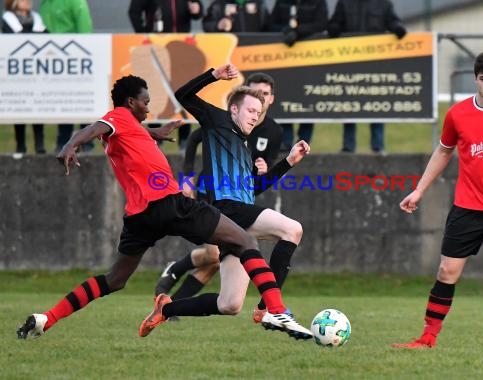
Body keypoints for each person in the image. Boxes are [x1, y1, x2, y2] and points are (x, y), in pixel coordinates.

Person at [16, 72, 313, 341]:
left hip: (138, 217)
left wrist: (155, 134)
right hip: (169, 204)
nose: (148, 108)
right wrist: (72, 142)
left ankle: (47, 318)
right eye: (145, 102)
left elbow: (129, 137)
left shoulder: (130, 127)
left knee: (117, 280)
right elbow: (98, 126)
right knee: (255, 238)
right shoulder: (119, 116)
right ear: (130, 102)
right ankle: (273, 309)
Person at [392, 52, 483, 351]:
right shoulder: (457, 114)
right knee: (447, 272)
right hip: (468, 207)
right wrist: (419, 190)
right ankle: (427, 338)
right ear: (475, 79)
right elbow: (443, 152)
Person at [159, 65, 309, 327]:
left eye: (259, 112)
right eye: (251, 111)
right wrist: (213, 76)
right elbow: (182, 95)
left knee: (229, 304)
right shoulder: (217, 121)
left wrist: (288, 162)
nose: (255, 117)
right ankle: (268, 308)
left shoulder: (244, 146)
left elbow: (254, 190)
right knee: (292, 230)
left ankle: (166, 309)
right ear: (234, 109)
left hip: (235, 217)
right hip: (227, 210)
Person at [327, 0, 407, 154]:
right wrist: (334, 29)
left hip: (375, 65)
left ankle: (378, 146)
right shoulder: (344, 3)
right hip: (349, 63)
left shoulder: (384, 3)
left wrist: (398, 29)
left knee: (376, 104)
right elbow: (334, 24)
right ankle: (348, 147)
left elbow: (393, 21)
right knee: (349, 105)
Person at [127, 0, 205, 150]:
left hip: (181, 43)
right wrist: (142, 31)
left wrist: (197, 9)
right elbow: (134, 11)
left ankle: (184, 137)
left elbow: (198, 10)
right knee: (155, 88)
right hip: (156, 43)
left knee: (183, 88)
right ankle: (155, 137)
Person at [269, 0, 328, 150]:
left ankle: (304, 141)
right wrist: (286, 30)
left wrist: (298, 32)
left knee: (308, 99)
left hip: (310, 58)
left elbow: (321, 24)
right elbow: (270, 23)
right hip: (284, 59)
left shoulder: (318, 2)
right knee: (285, 96)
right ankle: (286, 140)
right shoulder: (281, 3)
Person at [39, 0, 94, 152]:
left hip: (76, 58)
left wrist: (83, 53)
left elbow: (84, 28)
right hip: (54, 61)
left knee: (82, 99)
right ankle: (63, 140)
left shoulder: (75, 1)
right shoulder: (44, 4)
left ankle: (87, 142)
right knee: (63, 100)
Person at [2, 0, 47, 158]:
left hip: (36, 71)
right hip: (18, 72)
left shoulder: (37, 19)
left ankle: (39, 143)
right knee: (20, 107)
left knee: (37, 106)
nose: (28, 2)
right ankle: (20, 144)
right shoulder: (8, 19)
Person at [202, 0, 269, 33]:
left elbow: (268, 27)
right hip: (228, 52)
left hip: (253, 52)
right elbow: (207, 25)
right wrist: (218, 25)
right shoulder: (218, 4)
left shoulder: (259, 3)